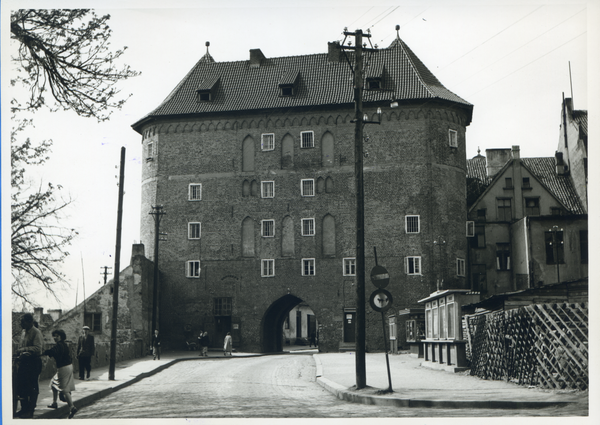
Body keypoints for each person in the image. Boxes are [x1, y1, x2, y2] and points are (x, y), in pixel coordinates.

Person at [43, 329, 78, 419]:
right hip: (67, 366)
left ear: (61, 337)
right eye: (54, 336)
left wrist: (44, 352)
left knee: (64, 389)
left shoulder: (60, 345)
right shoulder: (63, 344)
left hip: (63, 368)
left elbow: (53, 351)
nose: (55, 338)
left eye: (57, 336)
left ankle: (72, 407)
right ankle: (54, 403)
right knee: (53, 384)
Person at [14, 313, 43, 419]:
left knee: (32, 387)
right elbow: (21, 345)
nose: (22, 324)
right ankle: (24, 408)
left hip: (33, 362)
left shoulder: (36, 332)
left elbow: (38, 348)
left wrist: (23, 350)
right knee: (21, 386)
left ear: (30, 322)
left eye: (23, 322)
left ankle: (30, 411)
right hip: (24, 362)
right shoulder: (23, 332)